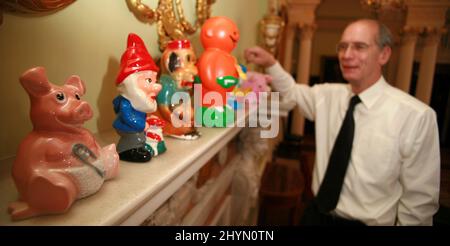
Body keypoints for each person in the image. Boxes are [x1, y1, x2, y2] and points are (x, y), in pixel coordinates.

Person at [244, 19, 440, 225]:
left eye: (359, 47)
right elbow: (291, 92)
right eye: (343, 47)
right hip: (316, 216)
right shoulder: (327, 95)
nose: (346, 55)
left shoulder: (416, 117)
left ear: (384, 54)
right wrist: (270, 63)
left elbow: (419, 203)